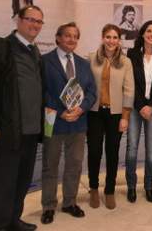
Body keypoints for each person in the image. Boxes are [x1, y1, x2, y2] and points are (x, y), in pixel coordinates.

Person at [0, 5, 44, 231]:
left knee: (22, 180)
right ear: (18, 20)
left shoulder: (35, 52)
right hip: (9, 130)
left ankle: (14, 220)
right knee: (5, 183)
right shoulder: (0, 48)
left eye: (39, 21)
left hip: (32, 131)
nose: (34, 25)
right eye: (30, 19)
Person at [40, 22, 97, 225]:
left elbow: (91, 92)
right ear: (58, 38)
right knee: (50, 165)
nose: (72, 39)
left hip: (78, 122)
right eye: (67, 35)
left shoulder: (83, 64)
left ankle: (69, 202)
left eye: (75, 36)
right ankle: (48, 205)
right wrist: (61, 111)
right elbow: (42, 91)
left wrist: (81, 109)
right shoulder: (45, 61)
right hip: (53, 119)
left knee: (74, 164)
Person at [88, 24, 135, 209]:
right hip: (94, 113)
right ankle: (93, 188)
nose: (111, 41)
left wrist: (125, 116)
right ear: (102, 37)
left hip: (116, 114)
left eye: (115, 37)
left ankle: (109, 190)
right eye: (108, 37)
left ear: (119, 40)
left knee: (112, 153)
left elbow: (129, 90)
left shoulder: (126, 62)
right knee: (94, 152)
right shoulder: (91, 58)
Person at [125, 20, 152, 203]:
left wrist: (150, 106)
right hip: (136, 107)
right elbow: (130, 82)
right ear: (142, 34)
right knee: (132, 148)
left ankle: (149, 186)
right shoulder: (132, 54)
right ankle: (131, 186)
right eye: (149, 31)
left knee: (151, 149)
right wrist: (141, 105)